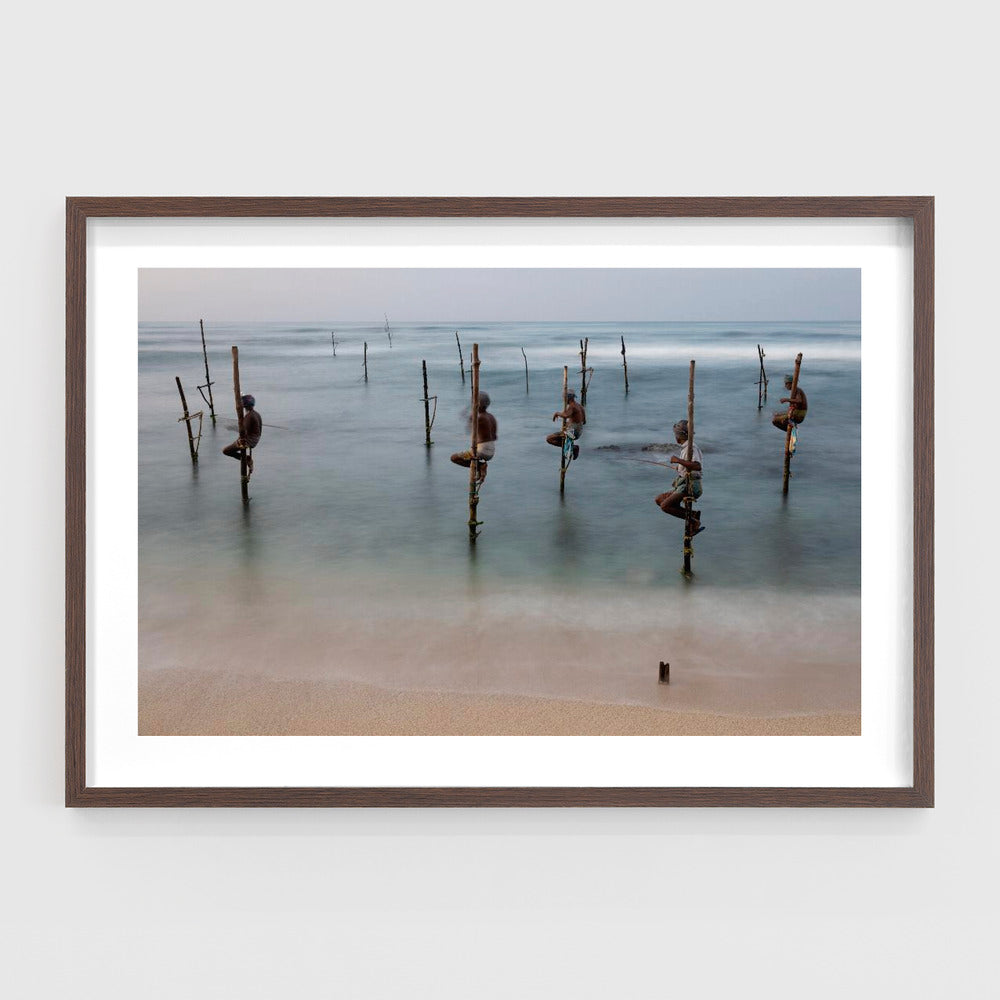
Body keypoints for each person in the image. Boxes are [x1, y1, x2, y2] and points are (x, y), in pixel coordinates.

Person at [654, 419, 704, 534]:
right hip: (683, 483)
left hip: (691, 485)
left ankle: (693, 521)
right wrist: (680, 468)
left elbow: (697, 466)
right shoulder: (686, 448)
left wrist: (678, 460)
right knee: (659, 499)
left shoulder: (691, 448)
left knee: (665, 506)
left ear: (678, 437)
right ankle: (692, 514)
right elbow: (690, 466)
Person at [450, 392, 498, 481]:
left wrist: (471, 412)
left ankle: (480, 466)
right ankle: (480, 469)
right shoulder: (491, 417)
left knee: (454, 458)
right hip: (491, 451)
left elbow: (467, 425)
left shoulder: (479, 417)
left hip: (482, 450)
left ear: (477, 404)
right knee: (469, 456)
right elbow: (495, 437)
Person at [223, 394, 262, 474]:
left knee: (226, 451)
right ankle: (246, 458)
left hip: (249, 441)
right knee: (235, 443)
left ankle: (247, 459)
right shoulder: (256, 414)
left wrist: (232, 427)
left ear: (244, 406)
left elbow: (243, 431)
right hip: (255, 439)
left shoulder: (249, 416)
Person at [546, 390, 586, 460]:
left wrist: (557, 413)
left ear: (568, 398)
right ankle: (570, 448)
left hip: (572, 432)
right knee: (561, 438)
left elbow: (566, 415)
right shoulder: (580, 406)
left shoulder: (572, 406)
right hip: (579, 432)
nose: (564, 400)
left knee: (549, 439)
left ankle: (573, 447)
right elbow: (583, 421)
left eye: (564, 398)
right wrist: (569, 423)